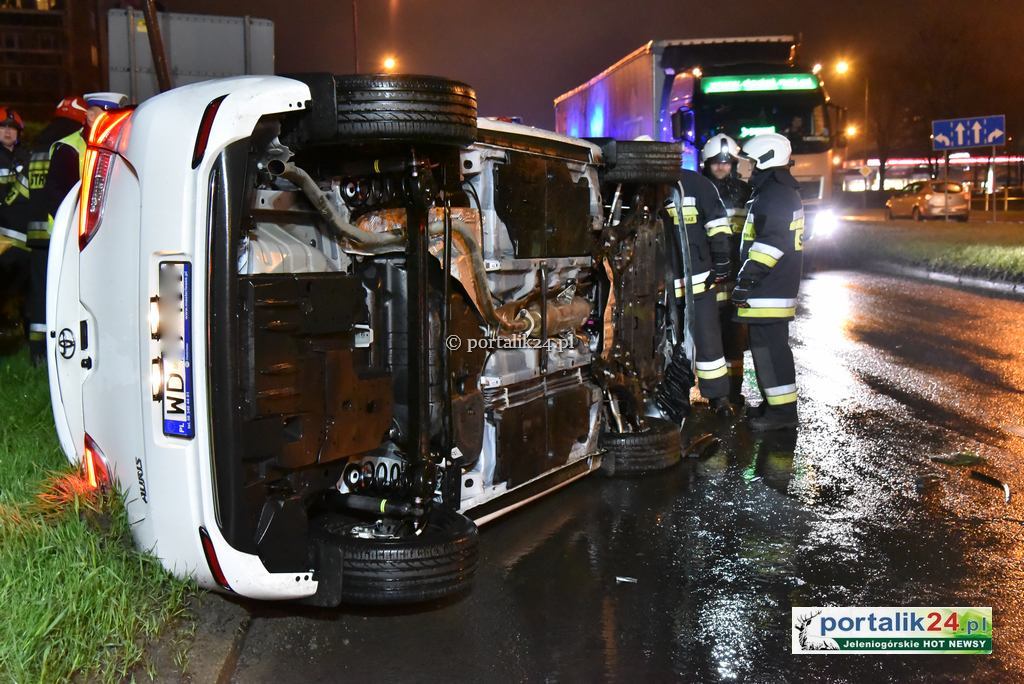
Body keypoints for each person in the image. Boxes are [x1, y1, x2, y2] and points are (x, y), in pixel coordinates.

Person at [732, 133, 804, 431]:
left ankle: (783, 414)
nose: (741, 168)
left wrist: (746, 280)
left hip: (768, 289)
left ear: (764, 161)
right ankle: (774, 404)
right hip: (772, 288)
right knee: (766, 350)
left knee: (771, 351)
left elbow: (770, 245)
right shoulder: (776, 192)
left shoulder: (774, 196)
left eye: (747, 162)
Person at [663, 166, 735, 415]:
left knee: (708, 340)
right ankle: (671, 395)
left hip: (697, 281)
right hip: (663, 287)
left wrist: (721, 258)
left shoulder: (697, 184)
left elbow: (718, 225)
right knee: (666, 342)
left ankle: (718, 397)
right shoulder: (642, 187)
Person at [701, 133, 751, 405]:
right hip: (709, 278)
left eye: (726, 162)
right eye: (716, 162)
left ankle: (734, 391)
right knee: (711, 341)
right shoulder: (700, 190)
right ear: (706, 163)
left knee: (734, 340)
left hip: (735, 277)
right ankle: (716, 396)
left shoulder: (744, 193)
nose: (721, 167)